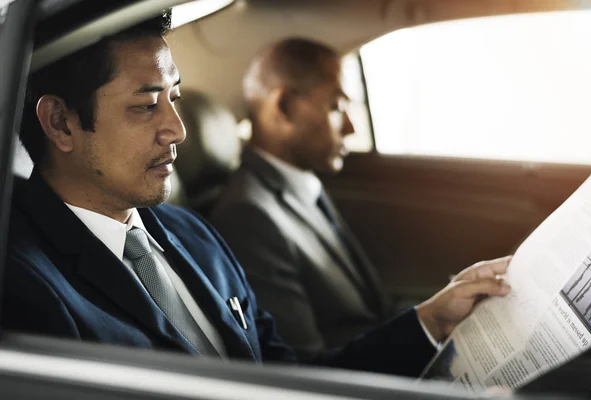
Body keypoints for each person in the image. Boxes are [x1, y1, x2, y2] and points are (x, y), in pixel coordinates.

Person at [1, 11, 511, 379]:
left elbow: (288, 378)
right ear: (60, 123)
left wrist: (429, 320)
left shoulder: (193, 235)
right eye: (146, 106)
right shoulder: (22, 285)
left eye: (174, 99)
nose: (177, 130)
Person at [210, 37, 426, 358]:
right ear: (284, 106)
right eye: (337, 107)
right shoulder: (248, 217)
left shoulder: (303, 182)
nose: (351, 127)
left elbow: (369, 313)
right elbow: (304, 366)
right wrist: (426, 328)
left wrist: (439, 314)